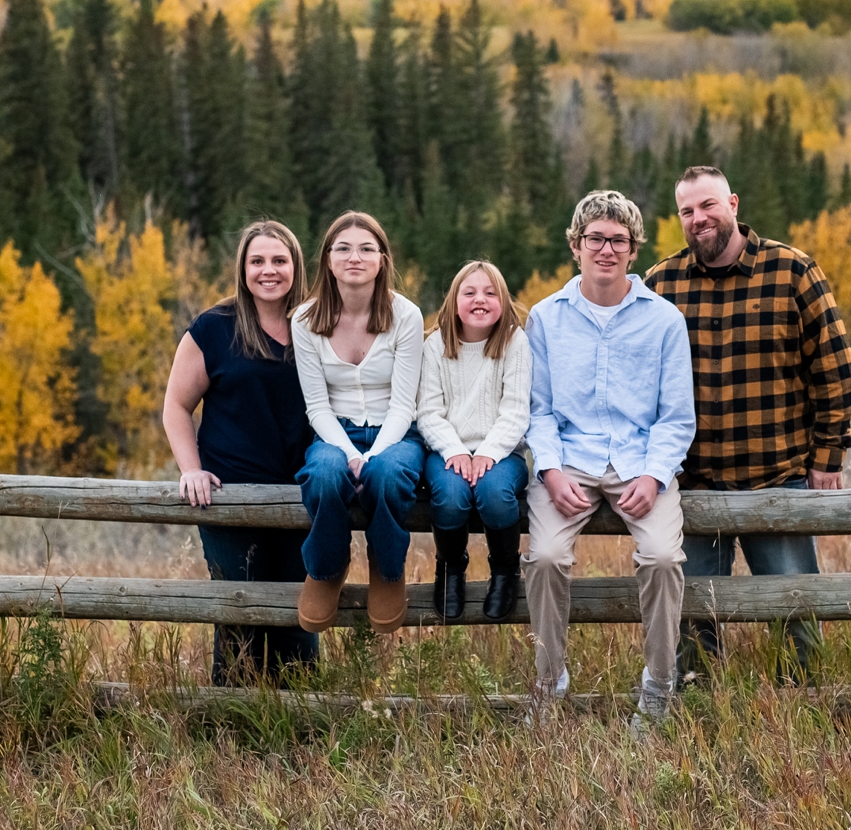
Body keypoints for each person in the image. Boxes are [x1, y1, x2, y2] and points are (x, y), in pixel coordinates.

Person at [646, 165, 851, 684]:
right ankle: (698, 703)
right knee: (694, 615)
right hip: (692, 483)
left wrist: (828, 457)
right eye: (687, 211)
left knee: (795, 608)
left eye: (708, 206)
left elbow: (835, 369)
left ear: (733, 204)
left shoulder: (792, 270)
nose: (699, 219)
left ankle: (805, 702)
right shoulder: (660, 283)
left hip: (776, 478)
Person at [523, 190, 696, 730]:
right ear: (576, 246)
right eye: (595, 239)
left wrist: (655, 474)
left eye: (617, 240)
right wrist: (549, 471)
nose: (606, 249)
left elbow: (676, 417)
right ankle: (550, 686)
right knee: (547, 556)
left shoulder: (665, 321)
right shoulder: (545, 318)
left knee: (663, 559)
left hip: (641, 462)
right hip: (569, 460)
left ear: (633, 249)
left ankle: (658, 689)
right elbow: (538, 410)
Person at [162, 220, 318, 684]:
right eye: (257, 261)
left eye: (279, 261)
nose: (268, 270)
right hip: (230, 498)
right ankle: (230, 730)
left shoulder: (315, 327)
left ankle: (302, 728)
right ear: (243, 269)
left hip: (302, 498)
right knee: (239, 614)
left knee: (298, 618)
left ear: (295, 266)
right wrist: (191, 470)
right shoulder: (214, 329)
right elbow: (175, 406)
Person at [291, 211, 427, 635]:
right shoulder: (305, 319)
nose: (355, 257)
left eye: (367, 248)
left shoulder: (405, 316)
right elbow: (316, 407)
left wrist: (372, 456)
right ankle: (327, 568)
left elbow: (405, 405)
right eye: (343, 248)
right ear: (328, 260)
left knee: (387, 474)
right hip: (336, 430)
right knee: (324, 473)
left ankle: (387, 570)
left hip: (396, 431)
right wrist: (351, 454)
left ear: (382, 260)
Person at [417, 260, 532, 623]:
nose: (479, 300)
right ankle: (450, 569)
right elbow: (429, 413)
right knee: (450, 496)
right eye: (469, 293)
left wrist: (487, 453)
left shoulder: (515, 342)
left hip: (502, 452)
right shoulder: (435, 345)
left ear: (504, 302)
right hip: (447, 450)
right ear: (453, 301)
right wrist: (454, 451)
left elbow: (516, 411)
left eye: (490, 293)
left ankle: (504, 571)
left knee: (495, 493)